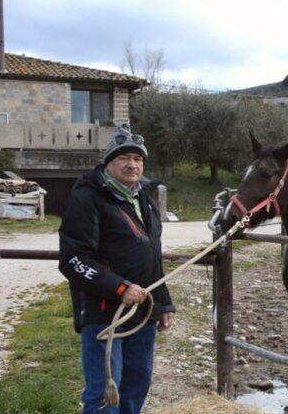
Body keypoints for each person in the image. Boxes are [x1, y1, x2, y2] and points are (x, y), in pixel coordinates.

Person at [59, 125, 175, 414]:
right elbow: (74, 260)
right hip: (104, 313)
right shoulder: (87, 198)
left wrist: (163, 303)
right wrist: (119, 288)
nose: (132, 164)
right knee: (104, 394)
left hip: (143, 312)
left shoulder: (144, 197)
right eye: (124, 157)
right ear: (108, 162)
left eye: (138, 159)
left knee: (137, 385)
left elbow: (152, 256)